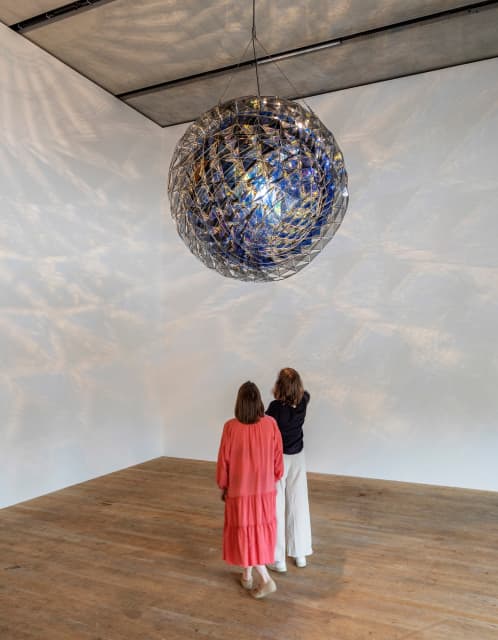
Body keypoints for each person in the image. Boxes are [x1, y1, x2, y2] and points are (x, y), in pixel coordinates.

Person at [216, 381, 283, 598]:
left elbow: (223, 461)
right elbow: (277, 459)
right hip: (264, 492)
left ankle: (264, 578)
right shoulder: (271, 424)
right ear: (259, 401)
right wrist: (271, 479)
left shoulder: (230, 427)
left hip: (240, 492)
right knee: (256, 532)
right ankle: (246, 576)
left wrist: (223, 485)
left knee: (244, 532)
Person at [266, 368, 312, 572]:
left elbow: (266, 427)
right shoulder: (304, 401)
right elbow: (304, 393)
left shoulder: (275, 408)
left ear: (279, 386)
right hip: (298, 458)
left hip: (278, 459)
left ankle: (279, 560)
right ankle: (300, 554)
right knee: (298, 503)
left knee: (276, 506)